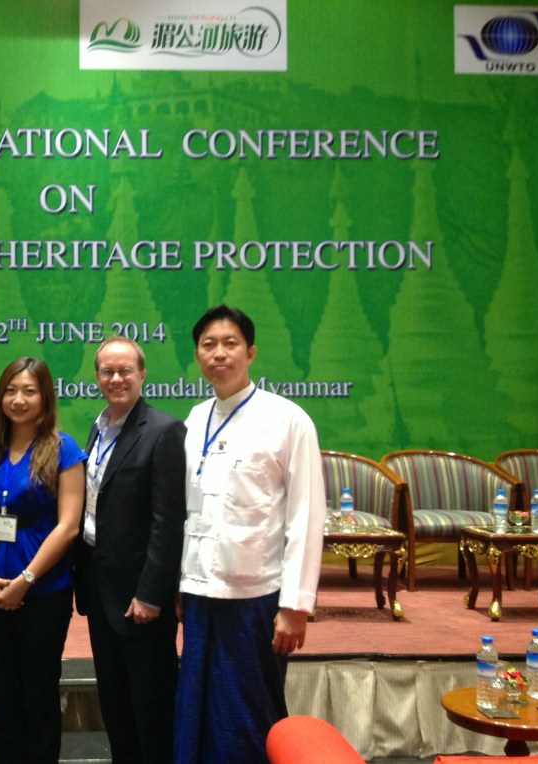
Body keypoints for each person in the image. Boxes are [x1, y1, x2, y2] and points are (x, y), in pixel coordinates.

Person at [174, 305, 326, 764]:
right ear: (197, 355)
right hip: (200, 592)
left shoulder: (287, 419)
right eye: (208, 345)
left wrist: (295, 606)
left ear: (251, 352)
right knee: (196, 705)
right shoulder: (194, 419)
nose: (219, 354)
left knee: (247, 712)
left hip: (255, 595)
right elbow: (185, 510)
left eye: (230, 344)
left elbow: (306, 515)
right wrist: (179, 584)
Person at [0, 356, 87, 764]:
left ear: (45, 397)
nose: (18, 400)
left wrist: (26, 580)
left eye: (29, 391)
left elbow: (68, 526)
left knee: (39, 695)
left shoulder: (64, 450)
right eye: (10, 391)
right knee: (2, 696)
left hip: (45, 593)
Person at [73, 337, 186, 763]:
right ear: (97, 377)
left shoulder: (164, 431)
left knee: (150, 707)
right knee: (115, 703)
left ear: (142, 374)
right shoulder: (98, 428)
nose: (116, 379)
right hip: (100, 588)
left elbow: (168, 522)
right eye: (107, 371)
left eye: (125, 371)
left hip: (141, 597)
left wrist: (152, 594)